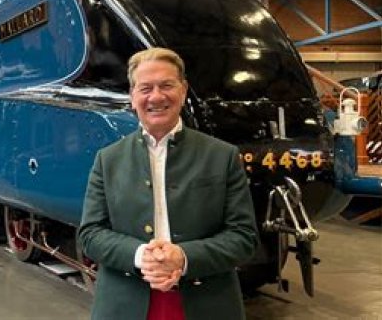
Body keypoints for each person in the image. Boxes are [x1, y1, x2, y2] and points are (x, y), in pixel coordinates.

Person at [78, 48, 258, 320]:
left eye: (166, 85)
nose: (156, 97)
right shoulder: (108, 160)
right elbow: (90, 234)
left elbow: (243, 236)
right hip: (124, 307)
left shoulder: (222, 156)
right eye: (145, 88)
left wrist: (184, 257)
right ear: (132, 96)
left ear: (183, 91)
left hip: (207, 305)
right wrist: (140, 256)